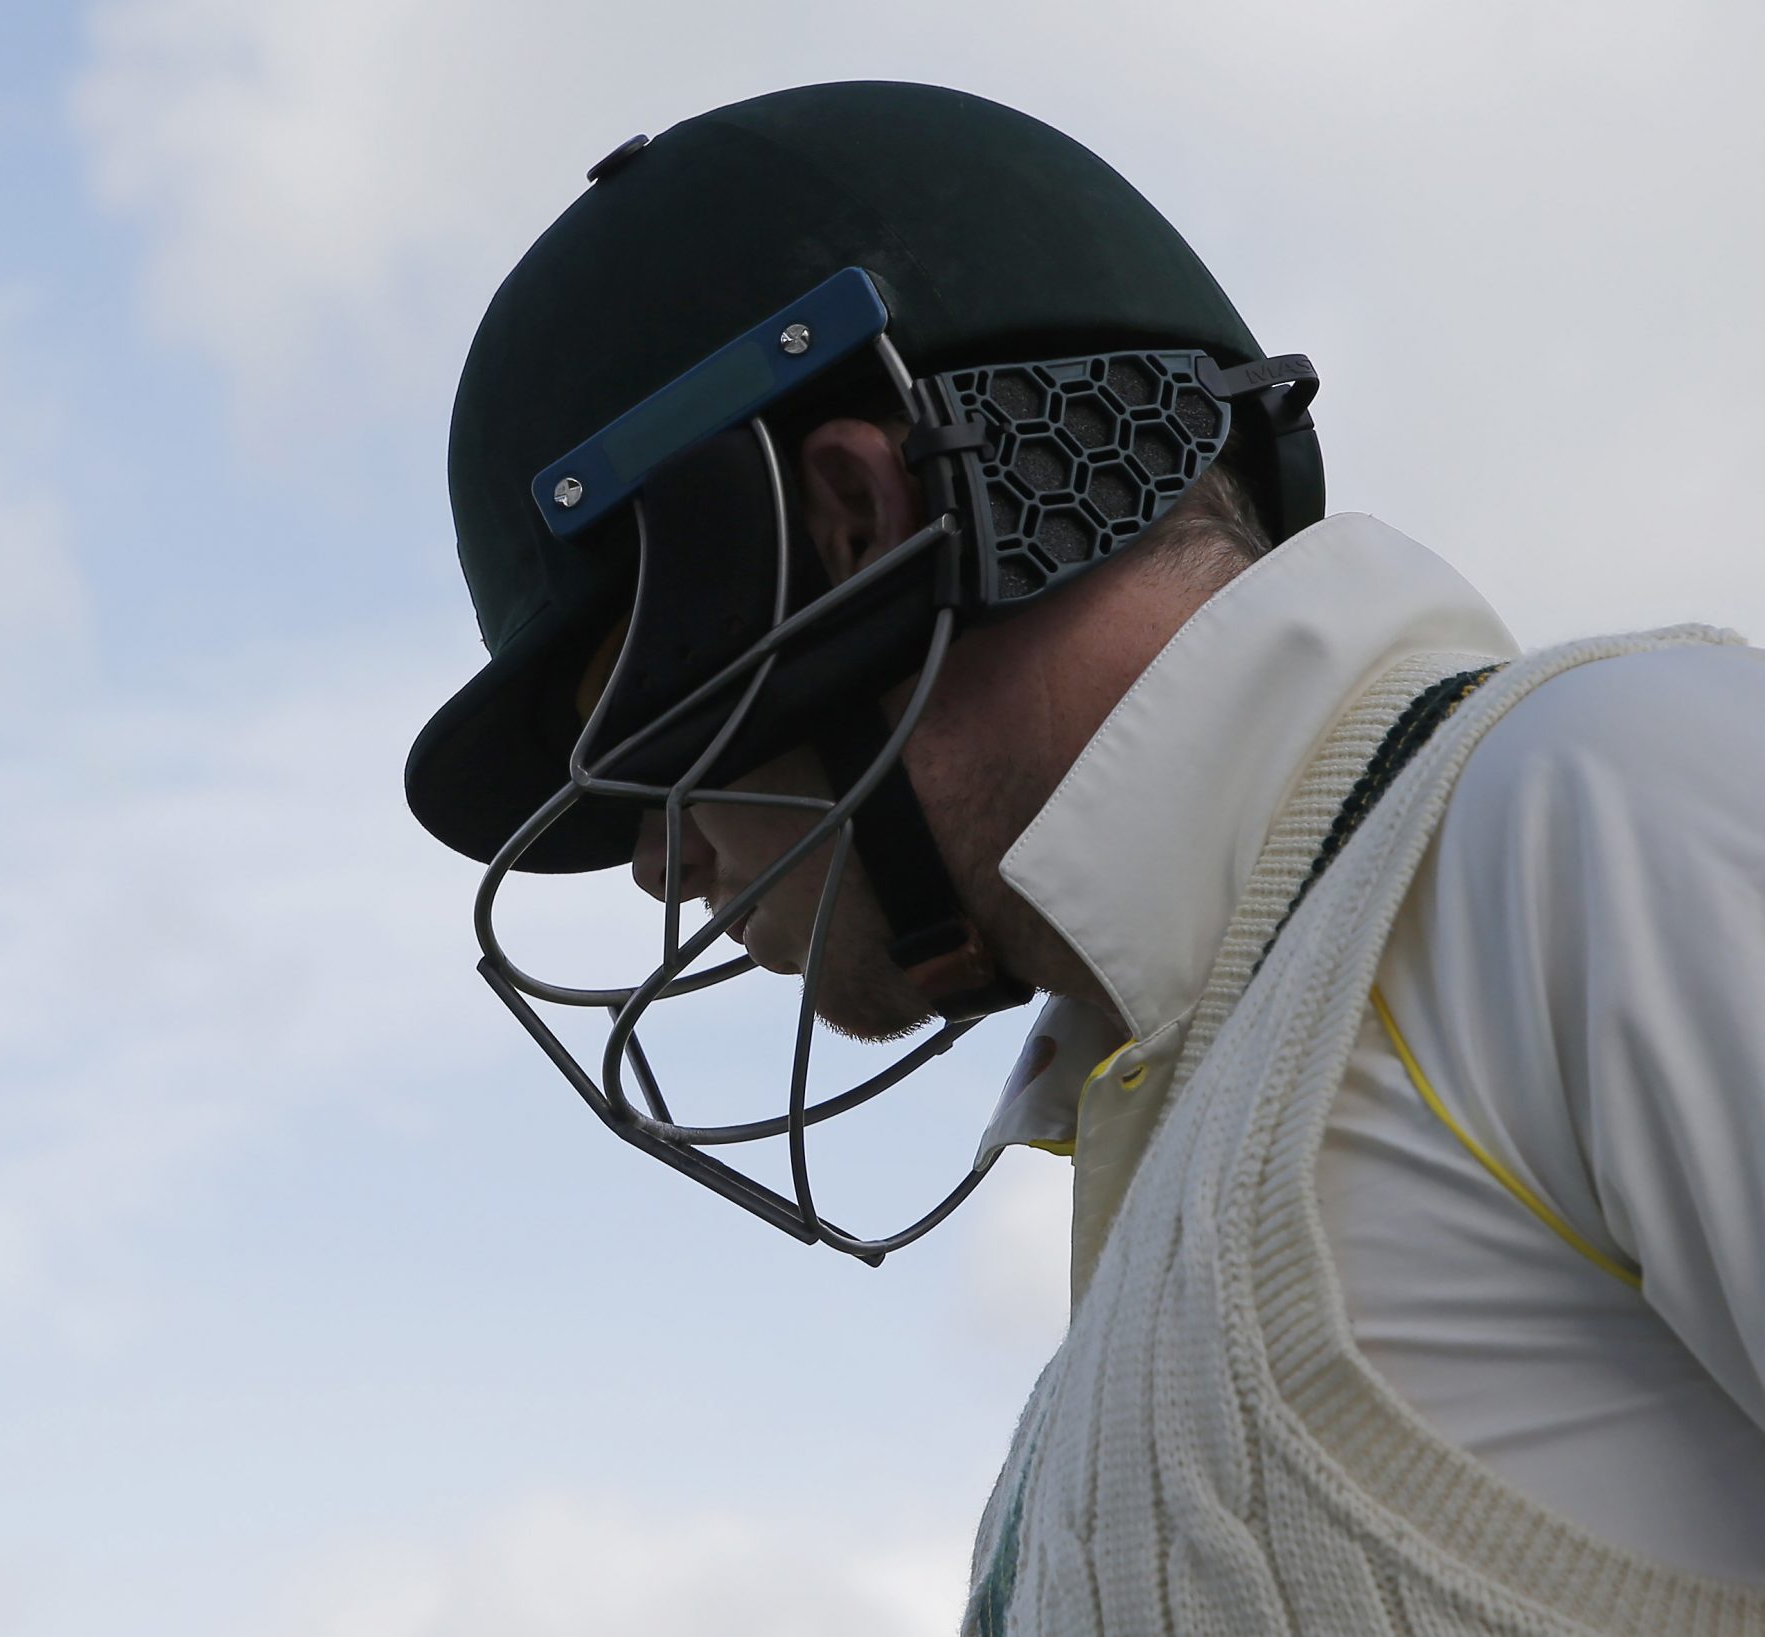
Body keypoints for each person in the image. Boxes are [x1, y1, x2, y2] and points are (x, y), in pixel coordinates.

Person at [402, 81, 1765, 1634]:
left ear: (849, 522)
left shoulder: (1599, 804)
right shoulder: (1112, 1315)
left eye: (632, 713)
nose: (653, 859)